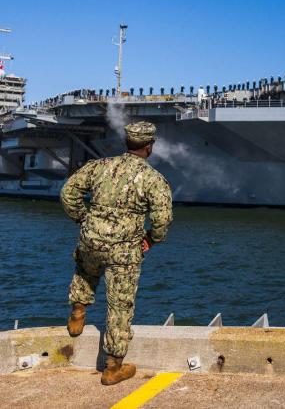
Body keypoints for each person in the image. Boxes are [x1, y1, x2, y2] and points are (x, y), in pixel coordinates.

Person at [60, 121, 173, 386]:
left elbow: (68, 193)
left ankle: (77, 314)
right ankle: (113, 368)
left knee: (85, 271)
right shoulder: (153, 178)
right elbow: (163, 219)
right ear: (149, 146)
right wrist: (150, 240)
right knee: (120, 305)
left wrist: (84, 219)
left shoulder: (99, 166)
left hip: (91, 238)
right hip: (124, 249)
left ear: (127, 143)